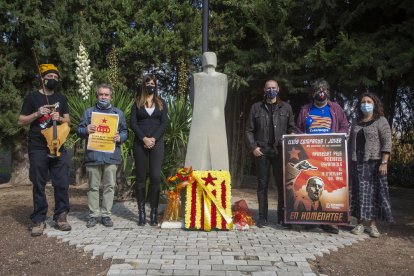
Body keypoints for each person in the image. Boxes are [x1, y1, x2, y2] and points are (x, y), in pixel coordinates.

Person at [18, 63, 72, 236]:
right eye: (50, 77)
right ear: (42, 78)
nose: (53, 79)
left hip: (58, 145)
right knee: (39, 183)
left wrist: (60, 118)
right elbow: (21, 120)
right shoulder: (32, 98)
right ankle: (39, 219)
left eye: (56, 77)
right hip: (38, 147)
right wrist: (37, 113)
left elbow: (68, 122)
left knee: (62, 182)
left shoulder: (61, 98)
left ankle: (61, 216)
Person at [296, 79, 349, 234]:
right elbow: (298, 128)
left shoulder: (335, 108)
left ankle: (330, 222)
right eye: (318, 89)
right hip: (311, 154)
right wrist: (303, 139)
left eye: (324, 89)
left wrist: (336, 138)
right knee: (311, 186)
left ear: (328, 92)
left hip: (329, 154)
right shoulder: (306, 109)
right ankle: (311, 218)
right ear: (313, 92)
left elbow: (344, 126)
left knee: (328, 187)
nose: (321, 92)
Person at [246, 79, 297, 228]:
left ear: (278, 89)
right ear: (264, 89)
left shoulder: (286, 108)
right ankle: (262, 217)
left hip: (280, 151)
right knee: (262, 185)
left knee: (282, 185)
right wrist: (253, 147)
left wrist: (289, 142)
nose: (271, 90)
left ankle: (283, 217)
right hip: (261, 151)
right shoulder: (256, 108)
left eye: (273, 88)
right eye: (268, 88)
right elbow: (249, 130)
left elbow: (292, 128)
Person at [77, 84, 128, 228]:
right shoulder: (88, 113)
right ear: (97, 95)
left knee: (109, 186)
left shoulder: (118, 113)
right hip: (93, 155)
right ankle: (93, 215)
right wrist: (85, 129)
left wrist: (120, 137)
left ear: (111, 96)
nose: (103, 97)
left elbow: (125, 132)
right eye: (101, 94)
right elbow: (79, 130)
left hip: (111, 155)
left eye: (106, 95)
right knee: (93, 187)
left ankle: (106, 215)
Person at [349, 92, 393, 238]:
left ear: (374, 104)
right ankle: (360, 223)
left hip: (374, 163)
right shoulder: (356, 121)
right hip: (357, 162)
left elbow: (387, 142)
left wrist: (384, 162)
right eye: (363, 102)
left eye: (368, 101)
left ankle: (373, 225)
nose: (365, 104)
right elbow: (350, 142)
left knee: (374, 194)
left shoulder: (381, 121)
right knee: (358, 192)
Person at [131, 75, 168, 226]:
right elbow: (133, 123)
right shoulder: (137, 102)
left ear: (155, 86)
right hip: (140, 143)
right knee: (140, 177)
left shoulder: (161, 103)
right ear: (143, 85)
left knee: (154, 177)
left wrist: (153, 139)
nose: (150, 86)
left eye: (153, 84)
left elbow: (164, 123)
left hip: (157, 144)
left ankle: (153, 212)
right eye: (148, 83)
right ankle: (141, 213)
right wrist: (144, 138)